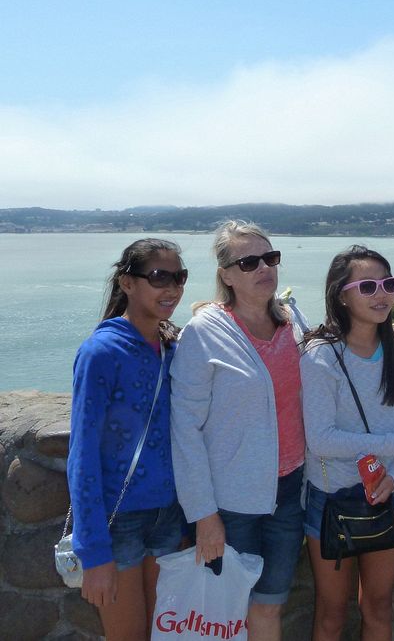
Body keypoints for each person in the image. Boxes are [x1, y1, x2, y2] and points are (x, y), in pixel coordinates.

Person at [169, 221, 394, 641]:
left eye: (270, 258)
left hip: (287, 495)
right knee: (225, 612)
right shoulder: (204, 333)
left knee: (268, 604)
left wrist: (389, 330)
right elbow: (185, 428)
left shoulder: (293, 325)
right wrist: (203, 515)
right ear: (226, 274)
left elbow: (342, 340)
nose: (264, 268)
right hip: (232, 500)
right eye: (249, 262)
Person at [67, 238, 188, 640]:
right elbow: (81, 455)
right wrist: (94, 552)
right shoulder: (101, 352)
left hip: (169, 515)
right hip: (119, 523)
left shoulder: (171, 347)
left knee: (166, 634)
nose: (171, 288)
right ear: (127, 283)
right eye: (159, 277)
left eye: (179, 277)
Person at [301, 245, 394, 641]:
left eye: (388, 284)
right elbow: (320, 440)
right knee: (332, 613)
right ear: (342, 295)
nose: (382, 294)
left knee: (379, 607)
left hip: (387, 495)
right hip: (331, 500)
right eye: (367, 286)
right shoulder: (321, 357)